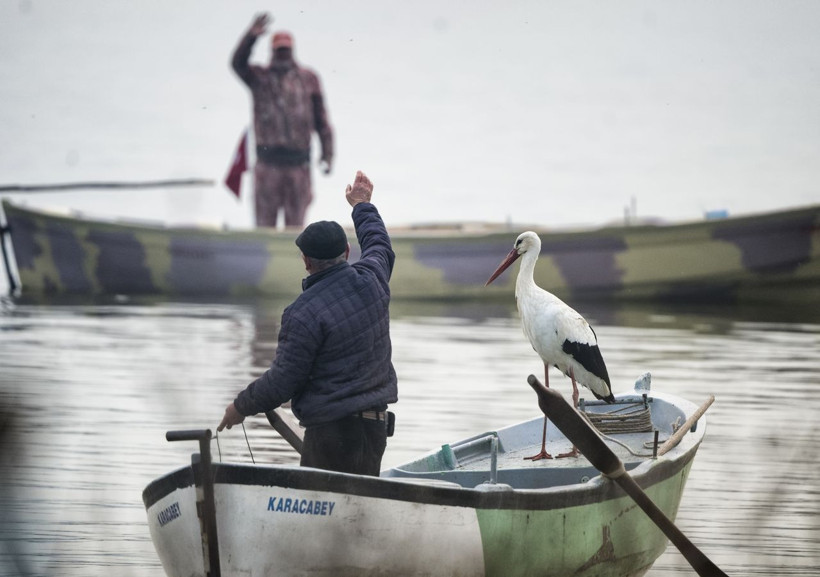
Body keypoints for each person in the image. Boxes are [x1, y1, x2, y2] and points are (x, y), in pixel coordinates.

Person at [218, 170, 397, 477]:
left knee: (325, 516)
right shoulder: (373, 279)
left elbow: (283, 381)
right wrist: (362, 205)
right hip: (375, 429)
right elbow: (379, 243)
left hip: (330, 435)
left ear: (306, 261)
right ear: (347, 252)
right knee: (357, 518)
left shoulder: (301, 314)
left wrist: (241, 406)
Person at [231, 13, 334, 228]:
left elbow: (322, 121)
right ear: (273, 51)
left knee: (296, 229)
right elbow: (237, 63)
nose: (283, 54)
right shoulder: (260, 77)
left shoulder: (308, 79)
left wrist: (327, 153)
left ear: (292, 50)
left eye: (286, 50)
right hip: (267, 166)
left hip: (299, 168)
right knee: (264, 226)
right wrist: (251, 37)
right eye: (280, 50)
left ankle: (295, 260)